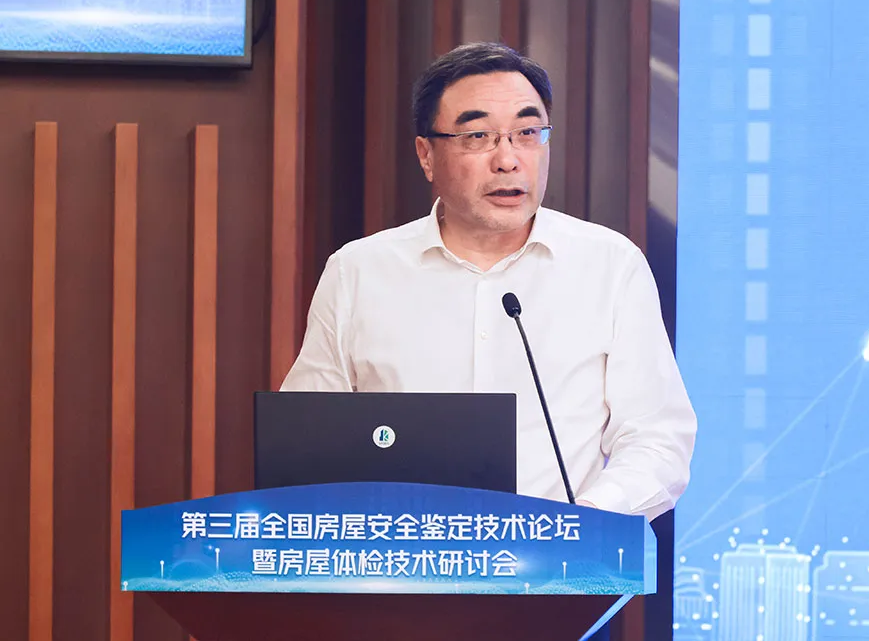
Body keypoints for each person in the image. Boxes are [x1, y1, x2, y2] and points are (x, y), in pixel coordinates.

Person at [281, 41, 696, 522]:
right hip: (402, 558)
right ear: (426, 155)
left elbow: (657, 440)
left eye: (527, 133)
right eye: (478, 136)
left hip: (556, 560)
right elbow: (305, 440)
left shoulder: (609, 265)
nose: (508, 159)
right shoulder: (358, 272)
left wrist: (584, 522)